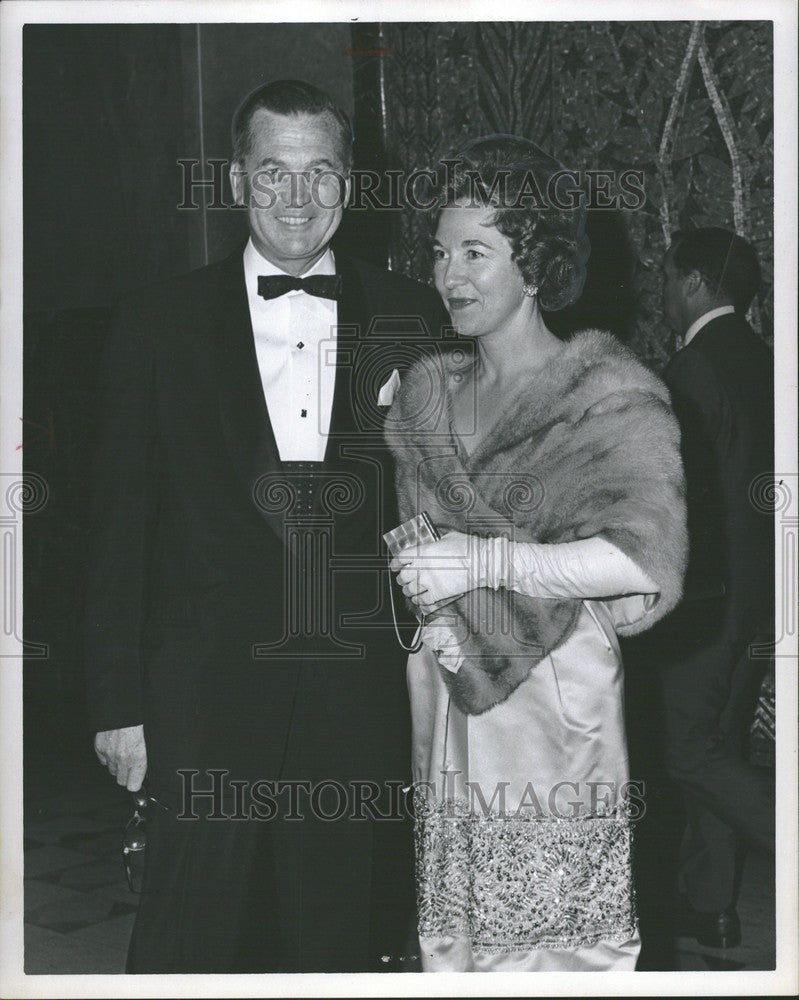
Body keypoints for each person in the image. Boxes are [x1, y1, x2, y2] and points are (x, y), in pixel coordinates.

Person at [83, 79, 448, 973]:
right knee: (185, 941)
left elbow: (444, 506)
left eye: (319, 172)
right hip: (202, 696)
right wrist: (117, 706)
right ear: (237, 181)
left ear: (349, 185)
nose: (297, 198)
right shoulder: (153, 324)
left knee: (335, 940)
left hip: (354, 697)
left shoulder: (413, 317)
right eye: (274, 173)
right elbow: (116, 529)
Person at [384, 135, 688, 972]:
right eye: (442, 253)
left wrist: (480, 563)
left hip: (554, 697)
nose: (451, 275)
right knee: (458, 934)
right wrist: (425, 587)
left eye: (477, 252)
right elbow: (422, 548)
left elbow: (638, 560)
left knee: (557, 943)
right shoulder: (426, 394)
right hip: (448, 691)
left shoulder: (607, 395)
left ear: (537, 262)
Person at [653, 228, 774, 948]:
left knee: (683, 750)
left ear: (695, 282)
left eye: (668, 278)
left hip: (715, 600)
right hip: (765, 599)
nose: (663, 292)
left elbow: (677, 496)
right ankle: (711, 906)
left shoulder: (694, 368)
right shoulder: (767, 362)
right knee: (717, 741)